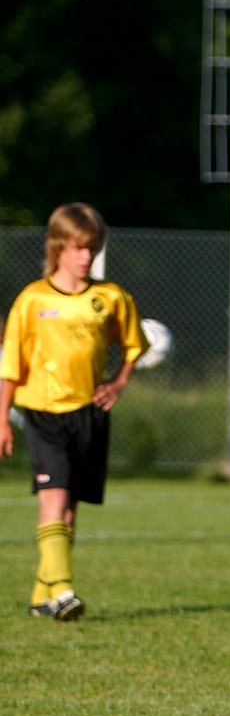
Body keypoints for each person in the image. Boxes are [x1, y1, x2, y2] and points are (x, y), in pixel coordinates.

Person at [0, 203, 150, 621]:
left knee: (70, 508)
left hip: (89, 411)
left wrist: (118, 382)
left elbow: (135, 345)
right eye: (78, 248)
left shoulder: (110, 297)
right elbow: (11, 366)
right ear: (58, 248)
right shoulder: (32, 300)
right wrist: (1, 420)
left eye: (92, 248)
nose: (86, 256)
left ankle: (41, 595)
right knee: (54, 495)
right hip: (44, 411)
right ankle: (64, 590)